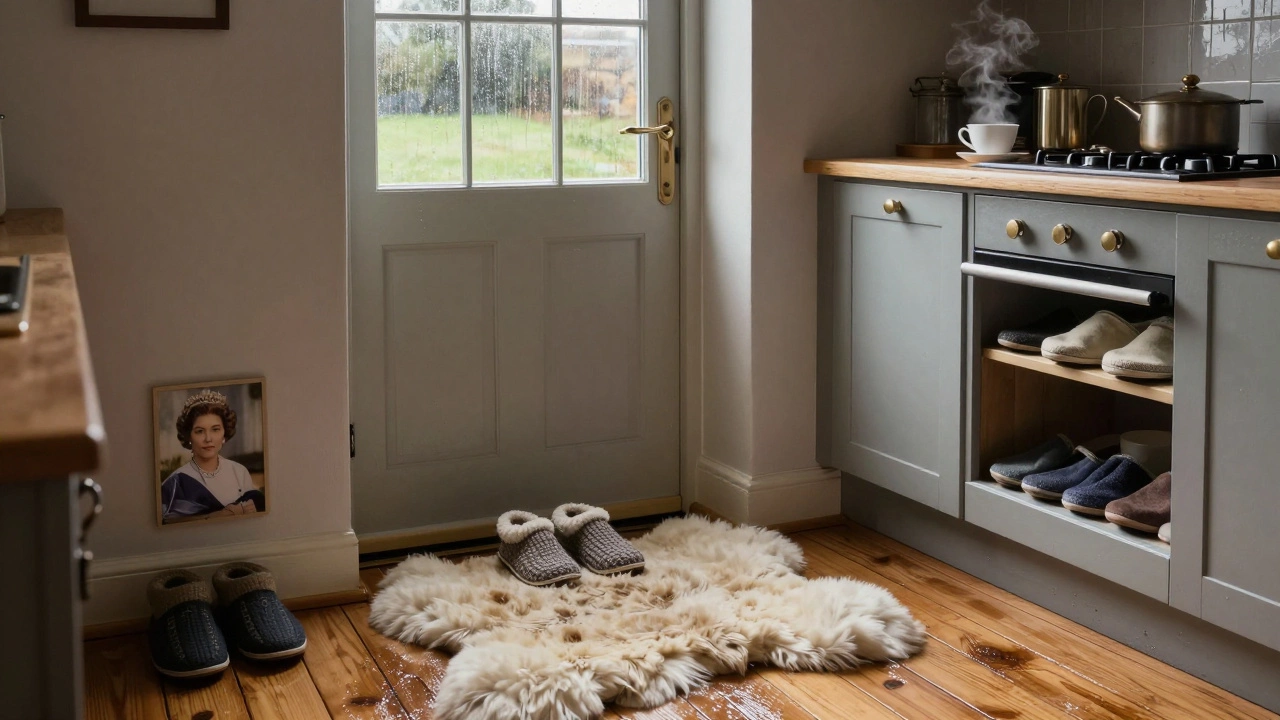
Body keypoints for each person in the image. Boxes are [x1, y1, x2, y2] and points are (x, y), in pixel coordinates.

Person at [160, 389, 264, 523]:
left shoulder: (239, 472)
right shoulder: (175, 483)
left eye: (215, 429)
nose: (208, 438)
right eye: (199, 431)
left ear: (224, 434)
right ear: (189, 436)